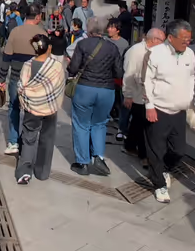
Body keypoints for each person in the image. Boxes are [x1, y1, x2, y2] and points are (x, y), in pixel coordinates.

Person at [142, 19, 195, 203]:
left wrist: (189, 101)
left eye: (189, 39)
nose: (187, 42)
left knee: (179, 150)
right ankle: (159, 185)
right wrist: (149, 106)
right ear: (171, 38)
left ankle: (164, 169)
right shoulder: (154, 53)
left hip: (179, 110)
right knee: (156, 150)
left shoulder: (190, 54)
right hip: (158, 109)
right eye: (184, 39)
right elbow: (146, 81)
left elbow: (191, 78)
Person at [67, 17, 123, 176]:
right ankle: (98, 156)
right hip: (106, 91)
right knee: (100, 124)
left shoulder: (82, 44)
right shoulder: (112, 48)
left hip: (85, 88)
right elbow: (119, 73)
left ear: (89, 29)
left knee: (81, 124)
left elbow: (73, 68)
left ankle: (82, 162)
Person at [15, 33, 64, 185]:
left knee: (29, 139)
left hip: (32, 108)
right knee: (47, 139)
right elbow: (59, 86)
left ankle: (24, 173)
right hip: (50, 108)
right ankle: (42, 172)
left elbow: (21, 86)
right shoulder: (56, 66)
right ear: (49, 48)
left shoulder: (28, 65)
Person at [0, 4, 48, 156]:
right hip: (35, 80)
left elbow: (6, 57)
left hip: (16, 76)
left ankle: (13, 142)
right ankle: (27, 142)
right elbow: (46, 59)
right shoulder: (42, 34)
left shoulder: (15, 32)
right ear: (38, 16)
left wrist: (2, 78)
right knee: (31, 110)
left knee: (14, 108)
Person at [123, 28, 166, 168]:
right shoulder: (136, 51)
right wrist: (127, 94)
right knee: (142, 125)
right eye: (162, 40)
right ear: (153, 40)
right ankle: (143, 154)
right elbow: (129, 73)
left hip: (150, 93)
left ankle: (130, 145)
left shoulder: (158, 52)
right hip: (137, 93)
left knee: (138, 123)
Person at [106, 20, 131, 140]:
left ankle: (121, 124)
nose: (109, 30)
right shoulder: (105, 41)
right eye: (109, 27)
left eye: (112, 27)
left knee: (121, 100)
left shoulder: (124, 43)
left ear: (118, 30)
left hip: (120, 76)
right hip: (107, 75)